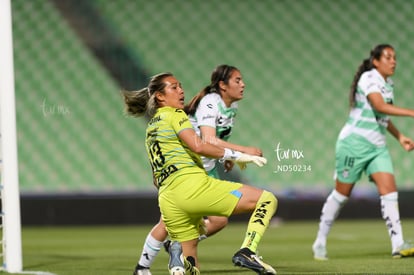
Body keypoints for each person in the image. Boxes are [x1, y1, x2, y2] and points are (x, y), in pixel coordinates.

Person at [122, 72, 277, 274]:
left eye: (180, 86)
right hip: (193, 188)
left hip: (168, 199)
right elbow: (198, 146)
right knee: (266, 200)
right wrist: (238, 155)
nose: (181, 90)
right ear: (160, 96)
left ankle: (146, 266)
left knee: (192, 266)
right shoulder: (175, 115)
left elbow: (155, 177)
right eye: (174, 87)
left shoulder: (151, 127)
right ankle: (247, 251)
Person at [312, 44, 414, 260]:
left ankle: (398, 244)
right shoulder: (369, 78)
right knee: (342, 194)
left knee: (389, 191)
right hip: (354, 144)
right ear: (376, 61)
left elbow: (381, 118)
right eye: (388, 57)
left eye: (395, 57)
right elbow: (379, 106)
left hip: (377, 147)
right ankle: (320, 241)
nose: (393, 61)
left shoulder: (388, 84)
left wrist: (400, 137)